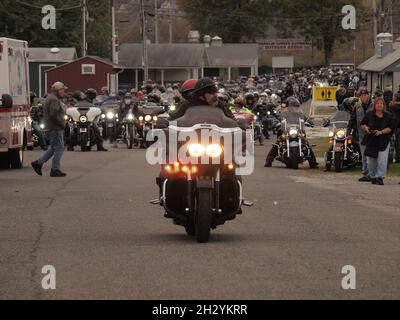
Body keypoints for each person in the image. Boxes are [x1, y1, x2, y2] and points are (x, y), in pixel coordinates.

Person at [264, 97, 318, 168]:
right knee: (277, 144)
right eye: (294, 107)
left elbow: (306, 119)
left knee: (306, 144)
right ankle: (268, 161)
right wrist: (276, 123)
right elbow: (279, 119)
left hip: (298, 132)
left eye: (297, 107)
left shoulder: (300, 114)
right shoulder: (285, 113)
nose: (296, 108)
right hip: (287, 132)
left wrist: (309, 122)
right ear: (289, 107)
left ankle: (313, 163)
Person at [31, 82, 68, 177]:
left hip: (51, 127)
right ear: (58, 90)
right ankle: (55, 169)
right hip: (55, 127)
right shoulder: (54, 99)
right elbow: (54, 114)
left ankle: (38, 163)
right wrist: (61, 123)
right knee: (59, 148)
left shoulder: (50, 98)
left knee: (53, 148)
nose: (64, 92)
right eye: (63, 90)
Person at [360, 97, 396, 185]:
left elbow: (391, 128)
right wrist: (366, 128)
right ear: (374, 105)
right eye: (377, 103)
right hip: (371, 139)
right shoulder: (369, 114)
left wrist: (381, 132)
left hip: (383, 140)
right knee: (371, 160)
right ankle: (373, 176)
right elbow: (362, 124)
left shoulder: (388, 115)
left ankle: (380, 177)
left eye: (381, 103)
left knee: (382, 160)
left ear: (384, 105)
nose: (379, 105)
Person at [349, 89, 372, 182]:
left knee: (372, 155)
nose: (363, 97)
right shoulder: (357, 106)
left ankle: (373, 174)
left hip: (373, 134)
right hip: (362, 134)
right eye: (361, 95)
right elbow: (352, 120)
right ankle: (366, 173)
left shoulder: (374, 105)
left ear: (368, 95)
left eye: (365, 95)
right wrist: (349, 132)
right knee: (364, 154)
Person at [389, 92, 400, 163]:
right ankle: (398, 158)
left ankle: (389, 159)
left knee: (391, 145)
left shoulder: (392, 107)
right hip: (399, 127)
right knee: (398, 144)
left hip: (394, 127)